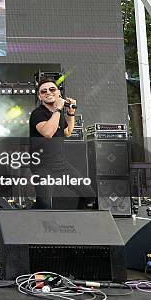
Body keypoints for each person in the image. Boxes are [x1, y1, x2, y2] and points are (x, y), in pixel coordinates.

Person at [29, 78, 92, 209]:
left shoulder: (58, 114)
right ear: (40, 97)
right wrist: (58, 109)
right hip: (42, 165)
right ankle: (31, 225)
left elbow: (68, 131)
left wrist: (70, 113)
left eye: (52, 89)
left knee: (88, 195)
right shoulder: (38, 114)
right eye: (43, 91)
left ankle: (80, 223)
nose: (48, 92)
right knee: (44, 204)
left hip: (59, 163)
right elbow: (47, 133)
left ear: (59, 94)